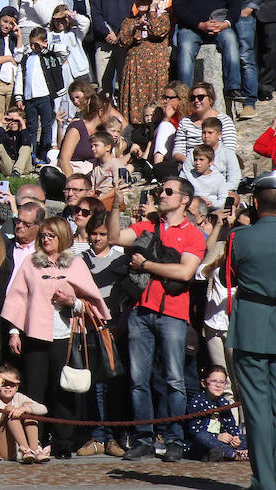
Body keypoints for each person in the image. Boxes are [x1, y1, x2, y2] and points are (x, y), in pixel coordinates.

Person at [106, 177, 205, 462]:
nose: (161, 194)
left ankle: (174, 438)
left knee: (174, 380)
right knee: (139, 380)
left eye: (168, 191)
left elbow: (185, 273)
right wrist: (115, 204)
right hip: (141, 312)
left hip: (173, 314)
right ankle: (143, 439)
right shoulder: (149, 225)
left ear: (184, 199)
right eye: (161, 190)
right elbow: (115, 238)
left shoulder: (193, 234)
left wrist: (147, 265)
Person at [1, 215, 108, 458]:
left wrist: (71, 302)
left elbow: (91, 302)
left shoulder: (76, 264)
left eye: (51, 236)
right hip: (35, 336)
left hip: (65, 336)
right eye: (43, 236)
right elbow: (19, 297)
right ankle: (34, 439)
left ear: (62, 238)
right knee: (35, 389)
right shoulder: (30, 263)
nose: (46, 240)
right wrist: (14, 331)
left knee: (63, 390)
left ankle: (62, 441)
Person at [226, 172, 276, 487]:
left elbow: (227, 273)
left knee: (257, 412)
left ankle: (266, 482)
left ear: (255, 203)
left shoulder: (239, 237)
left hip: (252, 327)